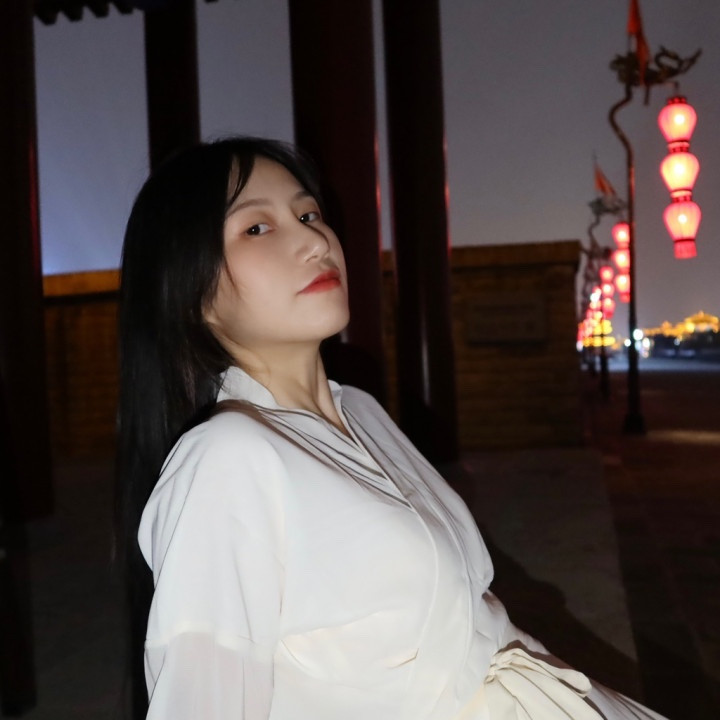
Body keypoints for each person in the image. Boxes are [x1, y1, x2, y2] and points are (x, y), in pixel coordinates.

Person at [117, 137, 668, 720]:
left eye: (309, 215)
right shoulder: (225, 459)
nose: (314, 241)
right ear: (191, 292)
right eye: (257, 228)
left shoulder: (361, 411)